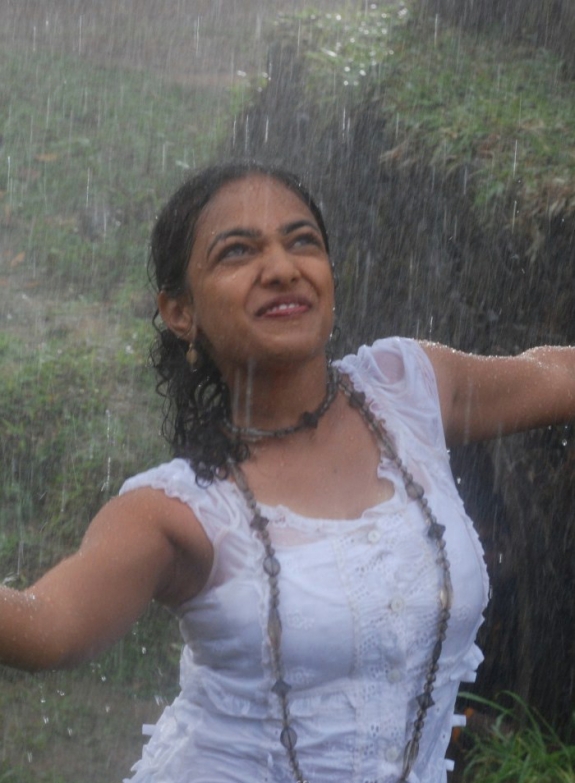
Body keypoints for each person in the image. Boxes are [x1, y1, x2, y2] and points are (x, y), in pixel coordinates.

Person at [1, 160, 574, 783]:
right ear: (180, 311)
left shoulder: (407, 392)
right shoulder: (177, 512)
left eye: (302, 241)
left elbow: (556, 373)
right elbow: (46, 628)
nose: (281, 268)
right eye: (237, 251)